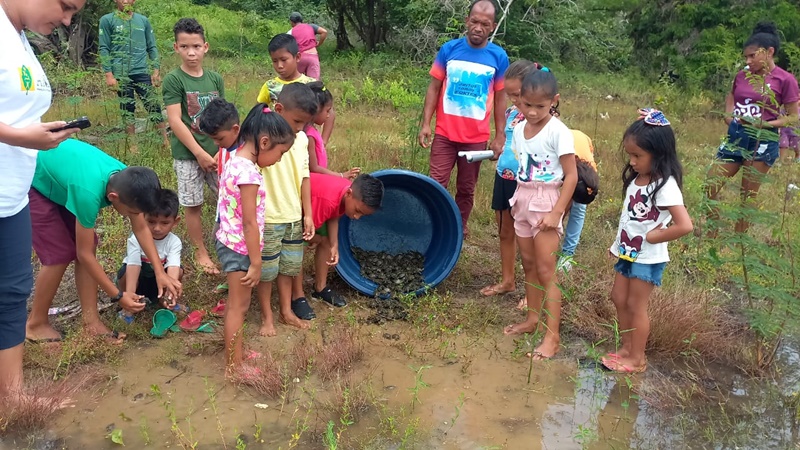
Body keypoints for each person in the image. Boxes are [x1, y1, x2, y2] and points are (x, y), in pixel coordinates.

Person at [0, 0, 85, 406]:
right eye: (66, 7)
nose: (67, 20)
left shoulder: (20, 38)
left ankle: (13, 396)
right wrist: (20, 138)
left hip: (12, 193)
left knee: (13, 291)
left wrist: (35, 134)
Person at [25, 139, 182, 344]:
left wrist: (160, 272)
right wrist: (118, 295)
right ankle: (35, 324)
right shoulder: (89, 194)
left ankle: (91, 322)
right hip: (36, 179)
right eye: (132, 212)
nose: (134, 216)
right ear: (113, 197)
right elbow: (84, 256)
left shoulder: (128, 180)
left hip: (67, 176)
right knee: (59, 254)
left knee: (87, 244)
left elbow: (141, 226)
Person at [602, 109, 693, 373]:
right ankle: (626, 347)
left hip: (648, 256)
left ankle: (637, 358)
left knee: (635, 304)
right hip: (628, 251)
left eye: (637, 156)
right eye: (630, 155)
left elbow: (685, 225)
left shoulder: (665, 185)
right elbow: (628, 219)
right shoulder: (637, 181)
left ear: (659, 153)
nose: (631, 161)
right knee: (618, 297)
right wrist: (616, 245)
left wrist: (655, 236)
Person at [502, 69, 576, 363]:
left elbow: (570, 177)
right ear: (518, 100)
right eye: (526, 105)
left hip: (546, 201)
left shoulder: (559, 131)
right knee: (529, 265)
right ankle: (533, 319)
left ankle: (552, 336)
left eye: (540, 107)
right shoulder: (519, 129)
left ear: (554, 102)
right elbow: (523, 165)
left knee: (547, 271)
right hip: (522, 196)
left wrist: (556, 212)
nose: (532, 112)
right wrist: (518, 199)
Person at [418, 0, 509, 238]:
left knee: (466, 189)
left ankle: (458, 228)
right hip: (445, 133)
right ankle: (431, 225)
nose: (478, 27)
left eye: (484, 24)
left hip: (476, 138)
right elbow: (434, 87)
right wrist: (426, 123)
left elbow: (501, 98)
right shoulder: (449, 49)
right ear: (467, 21)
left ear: (492, 27)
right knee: (436, 183)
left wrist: (500, 135)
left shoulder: (498, 57)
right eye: (475, 22)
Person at [218, 104, 295, 378]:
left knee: (235, 304)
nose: (279, 159)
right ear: (264, 142)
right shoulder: (249, 173)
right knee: (238, 307)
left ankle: (235, 353)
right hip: (240, 248)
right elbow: (249, 222)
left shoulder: (234, 159)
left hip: (230, 241)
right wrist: (255, 262)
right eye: (280, 152)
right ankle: (234, 368)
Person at [704, 22, 799, 234]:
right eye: (746, 57)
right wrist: (729, 116)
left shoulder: (785, 80)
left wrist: (766, 124)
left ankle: (739, 242)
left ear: (769, 52)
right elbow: (732, 94)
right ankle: (712, 232)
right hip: (737, 136)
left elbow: (793, 117)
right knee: (710, 183)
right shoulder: (742, 75)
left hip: (763, 139)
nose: (748, 61)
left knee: (747, 194)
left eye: (752, 56)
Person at [163, 18, 225, 274]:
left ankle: (226, 243)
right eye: (185, 46)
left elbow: (224, 116)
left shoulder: (215, 79)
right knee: (193, 203)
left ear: (205, 47)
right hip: (188, 155)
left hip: (217, 152)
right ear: (176, 47)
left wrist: (222, 150)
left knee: (228, 197)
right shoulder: (174, 80)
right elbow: (176, 121)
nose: (191, 52)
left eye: (196, 46)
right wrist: (198, 153)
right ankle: (200, 251)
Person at [257, 83, 317, 335]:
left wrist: (308, 214)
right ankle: (267, 316)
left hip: (293, 216)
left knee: (288, 268)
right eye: (297, 121)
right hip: (269, 217)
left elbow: (305, 176)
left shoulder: (301, 139)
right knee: (267, 271)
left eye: (305, 123)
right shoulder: (263, 137)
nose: (300, 127)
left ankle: (286, 310)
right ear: (278, 109)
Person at [480, 59, 534, 299]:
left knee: (530, 239)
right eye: (510, 94)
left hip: (529, 183)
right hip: (505, 177)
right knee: (505, 231)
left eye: (517, 93)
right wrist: (496, 152)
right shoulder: (511, 112)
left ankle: (533, 292)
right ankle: (507, 280)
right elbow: (505, 142)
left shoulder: (540, 114)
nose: (513, 99)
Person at [292, 173, 384, 311]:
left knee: (327, 242)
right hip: (298, 207)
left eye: (362, 215)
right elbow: (304, 234)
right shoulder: (327, 201)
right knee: (297, 251)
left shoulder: (345, 195)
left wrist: (334, 245)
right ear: (349, 194)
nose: (357, 217)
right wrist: (318, 239)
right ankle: (297, 296)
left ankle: (320, 288)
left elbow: (334, 216)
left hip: (317, 206)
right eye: (358, 211)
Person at [99, 0, 169, 150]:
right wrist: (109, 75)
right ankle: (132, 145)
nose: (125, 1)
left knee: (153, 105)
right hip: (121, 73)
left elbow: (152, 46)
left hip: (141, 71)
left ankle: (165, 141)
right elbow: (104, 48)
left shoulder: (143, 21)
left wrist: (156, 70)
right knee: (127, 107)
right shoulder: (107, 20)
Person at [115, 188, 185, 320]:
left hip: (158, 282)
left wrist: (170, 294)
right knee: (123, 273)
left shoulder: (174, 242)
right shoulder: (136, 239)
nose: (157, 228)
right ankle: (128, 304)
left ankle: (165, 300)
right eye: (151, 222)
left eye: (164, 223)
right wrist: (130, 294)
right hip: (137, 280)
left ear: (175, 222)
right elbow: (133, 266)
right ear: (142, 218)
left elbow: (173, 268)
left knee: (179, 271)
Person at [256, 34, 335, 145]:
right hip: (279, 142)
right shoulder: (270, 86)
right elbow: (257, 113)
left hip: (306, 143)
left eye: (284, 60)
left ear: (297, 57)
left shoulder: (311, 84)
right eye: (275, 61)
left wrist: (323, 141)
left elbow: (329, 112)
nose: (279, 65)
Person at [557, 130, 598, 271]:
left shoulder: (590, 175)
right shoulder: (559, 161)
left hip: (582, 142)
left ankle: (567, 255)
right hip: (561, 153)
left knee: (578, 210)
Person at [305, 82, 359, 179]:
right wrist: (341, 175)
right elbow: (314, 168)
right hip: (314, 181)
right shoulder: (309, 136)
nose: (328, 115)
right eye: (327, 111)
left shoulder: (312, 130)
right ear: (316, 110)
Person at [287, 11, 327, 80]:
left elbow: (287, 47)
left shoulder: (290, 32)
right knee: (313, 84)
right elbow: (324, 32)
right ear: (302, 20)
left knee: (297, 82)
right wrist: (319, 43)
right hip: (313, 56)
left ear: (291, 22)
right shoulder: (311, 26)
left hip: (300, 57)